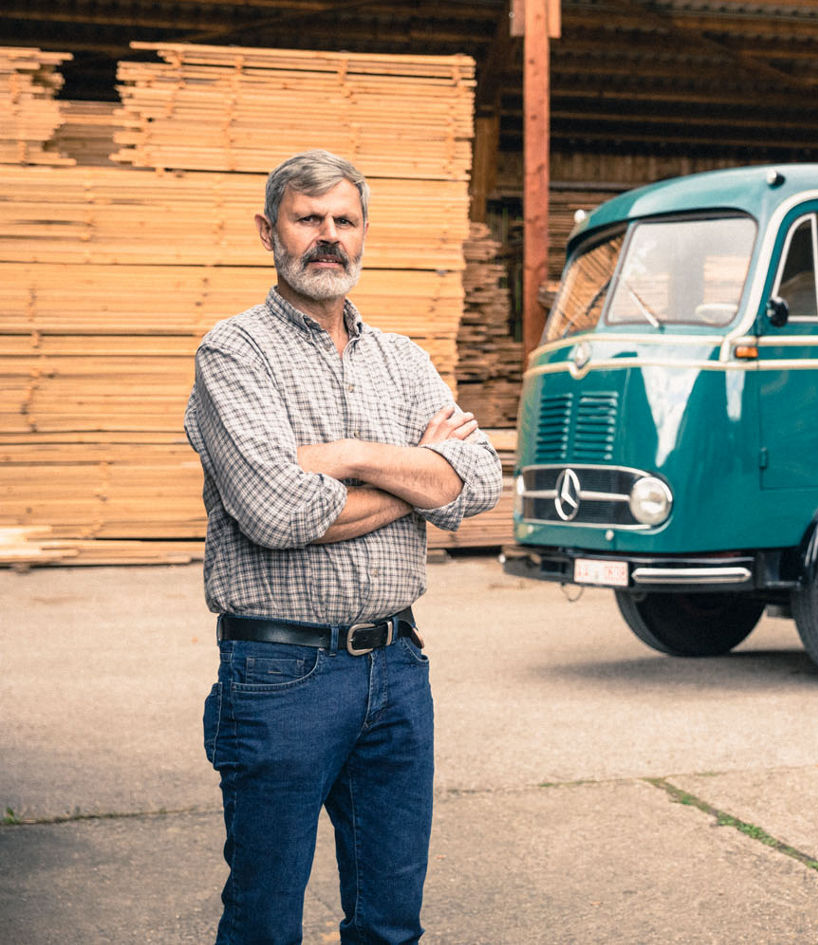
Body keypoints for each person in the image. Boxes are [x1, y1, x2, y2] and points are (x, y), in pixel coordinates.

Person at [184, 149, 501, 944]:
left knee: (391, 921)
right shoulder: (234, 352)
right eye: (308, 218)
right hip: (280, 675)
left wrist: (352, 457)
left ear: (364, 234)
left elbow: (481, 483)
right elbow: (274, 509)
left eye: (344, 221)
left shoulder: (403, 358)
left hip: (397, 668)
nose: (328, 237)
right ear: (270, 230)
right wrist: (417, 477)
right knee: (264, 919)